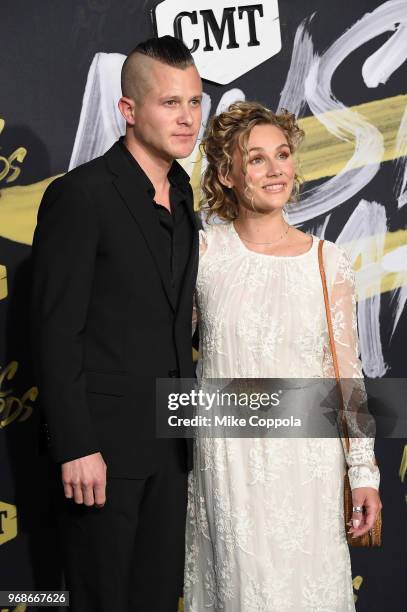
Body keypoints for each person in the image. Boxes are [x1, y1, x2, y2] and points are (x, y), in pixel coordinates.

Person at [184, 101, 382, 611]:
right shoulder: (203, 256)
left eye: (283, 154)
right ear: (226, 174)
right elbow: (160, 352)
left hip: (308, 468)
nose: (275, 170)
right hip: (228, 465)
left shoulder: (326, 260)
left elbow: (347, 375)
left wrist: (363, 473)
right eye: (256, 159)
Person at [31, 36, 202, 611]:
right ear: (128, 111)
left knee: (156, 599)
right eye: (170, 103)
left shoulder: (184, 197)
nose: (187, 119)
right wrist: (76, 446)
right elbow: (56, 333)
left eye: (195, 102)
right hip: (100, 457)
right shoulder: (81, 197)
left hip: (173, 449)